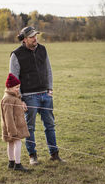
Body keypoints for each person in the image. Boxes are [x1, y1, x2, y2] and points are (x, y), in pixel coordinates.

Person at [9, 26, 64, 165]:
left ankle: (54, 154)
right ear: (25, 39)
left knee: (50, 125)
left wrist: (50, 89)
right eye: (32, 36)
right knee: (30, 128)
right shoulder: (16, 55)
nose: (35, 38)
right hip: (29, 96)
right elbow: (13, 79)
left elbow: (48, 70)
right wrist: (19, 99)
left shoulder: (43, 49)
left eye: (36, 36)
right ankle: (32, 156)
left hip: (45, 95)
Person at [1, 73, 31, 171]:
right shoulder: (8, 99)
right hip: (13, 126)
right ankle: (17, 164)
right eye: (16, 87)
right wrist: (12, 131)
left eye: (19, 87)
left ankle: (11, 162)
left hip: (15, 125)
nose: (18, 89)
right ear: (9, 87)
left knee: (11, 143)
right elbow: (8, 116)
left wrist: (21, 105)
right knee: (17, 143)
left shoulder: (14, 97)